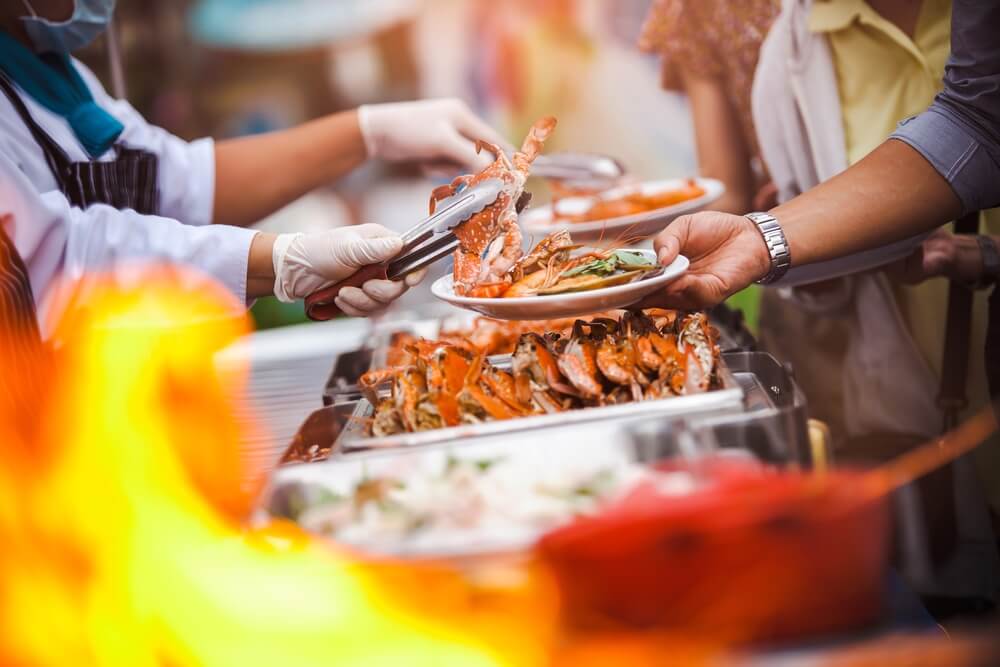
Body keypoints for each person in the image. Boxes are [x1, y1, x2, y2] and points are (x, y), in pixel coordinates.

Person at [0, 0, 510, 331]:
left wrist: (370, 131)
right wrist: (283, 263)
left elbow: (173, 181)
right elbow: (50, 259)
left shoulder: (48, 70)